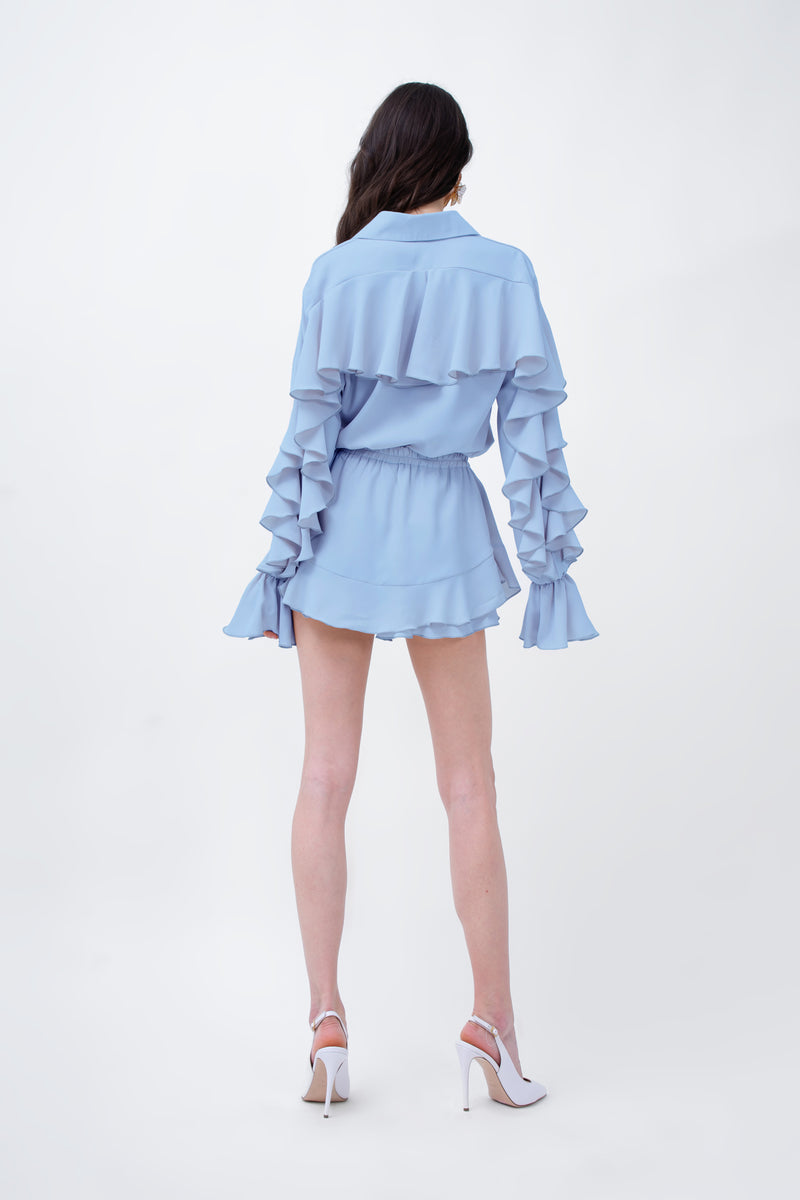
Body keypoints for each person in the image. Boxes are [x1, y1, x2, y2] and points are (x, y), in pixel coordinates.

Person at [222, 82, 599, 1115]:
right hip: (443, 530)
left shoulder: (336, 270)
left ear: (381, 157)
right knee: (469, 786)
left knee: (322, 779)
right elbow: (532, 442)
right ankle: (492, 1029)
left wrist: (279, 561)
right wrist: (550, 570)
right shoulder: (504, 270)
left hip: (342, 528)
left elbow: (309, 430)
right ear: (459, 170)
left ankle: (325, 1022)